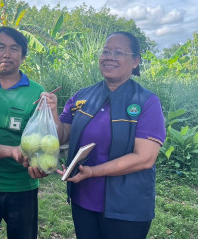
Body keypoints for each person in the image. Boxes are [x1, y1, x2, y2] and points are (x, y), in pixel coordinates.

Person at [43, 31, 166, 239]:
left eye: (118, 52)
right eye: (106, 51)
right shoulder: (82, 96)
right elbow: (61, 135)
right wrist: (53, 111)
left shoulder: (146, 101)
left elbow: (145, 158)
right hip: (84, 201)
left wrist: (92, 172)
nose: (109, 57)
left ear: (135, 61)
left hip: (127, 207)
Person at [0, 26, 45, 239]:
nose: (6, 54)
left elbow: (43, 138)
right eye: (0, 47)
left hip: (22, 185)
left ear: (22, 56)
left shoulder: (37, 92)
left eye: (14, 48)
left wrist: (43, 163)